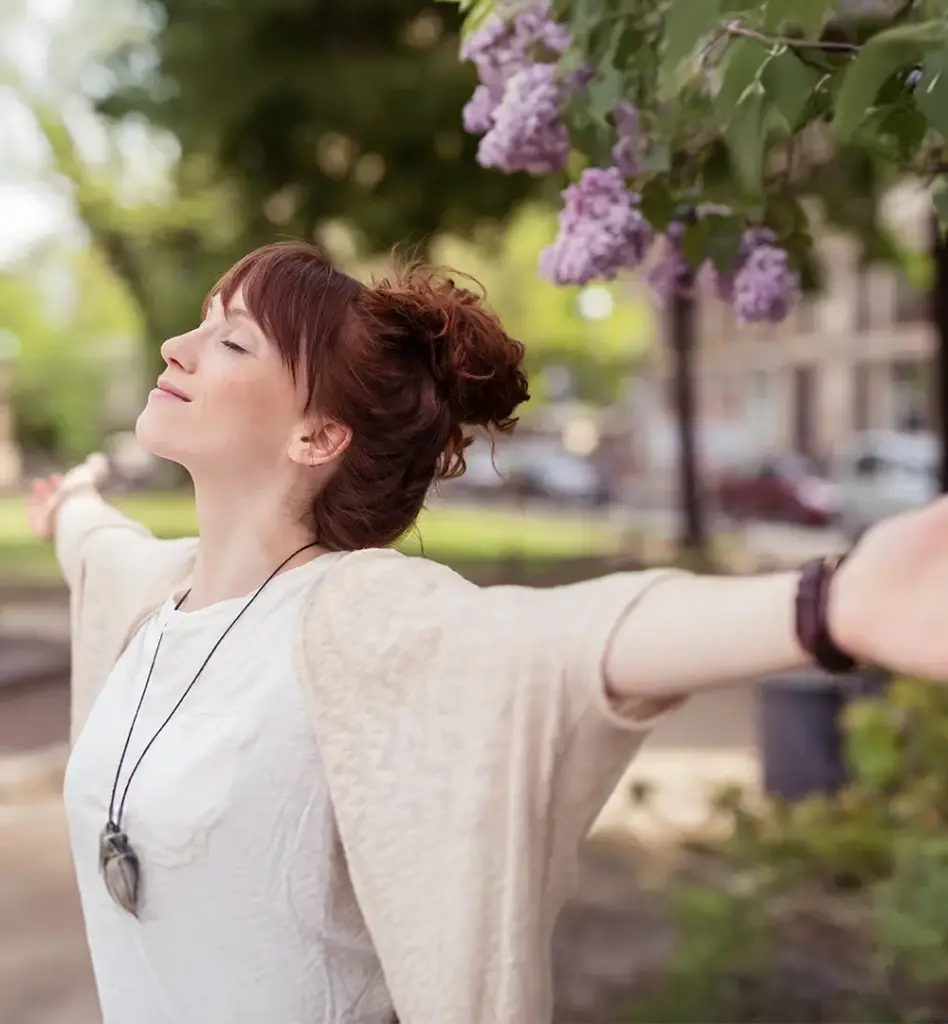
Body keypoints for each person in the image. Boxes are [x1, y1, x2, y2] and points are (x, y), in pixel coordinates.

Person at [27, 240, 948, 1024]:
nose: (175, 347)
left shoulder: (351, 618)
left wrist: (830, 607)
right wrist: (69, 504)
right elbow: (97, 544)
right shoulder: (153, 592)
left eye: (229, 340)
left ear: (317, 436)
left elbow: (561, 642)